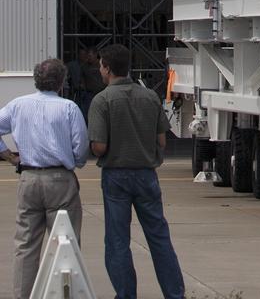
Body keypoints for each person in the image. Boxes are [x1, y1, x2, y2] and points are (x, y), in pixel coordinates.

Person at [88, 44, 184, 299]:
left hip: (116, 176)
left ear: (107, 68)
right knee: (159, 238)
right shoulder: (149, 97)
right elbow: (162, 141)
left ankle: (126, 294)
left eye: (100, 66)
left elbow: (99, 147)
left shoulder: (102, 100)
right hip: (146, 174)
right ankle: (175, 294)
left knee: (118, 241)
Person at [0, 58, 88, 299]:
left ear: (35, 80)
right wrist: (75, 162)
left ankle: (24, 295)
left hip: (28, 178)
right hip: (60, 179)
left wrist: (8, 155)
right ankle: (62, 293)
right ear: (61, 82)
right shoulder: (68, 108)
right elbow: (81, 149)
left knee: (26, 245)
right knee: (65, 243)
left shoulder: (17, 105)